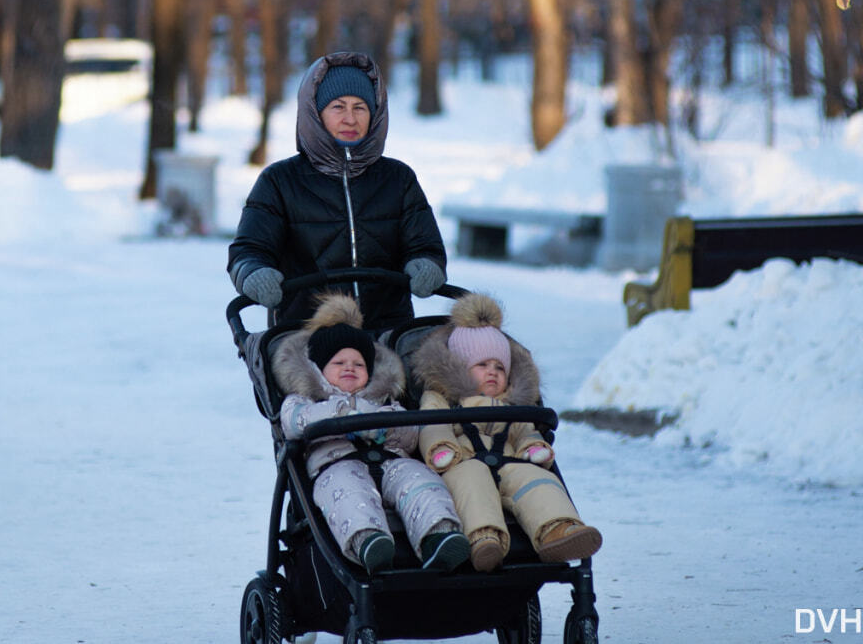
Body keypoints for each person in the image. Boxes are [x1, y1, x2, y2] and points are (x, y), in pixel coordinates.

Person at [228, 51, 447, 329]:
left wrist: (426, 265)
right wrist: (254, 273)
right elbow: (248, 250)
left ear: (374, 113)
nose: (350, 119)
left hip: (387, 333)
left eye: (360, 107)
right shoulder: (280, 181)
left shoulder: (398, 179)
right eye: (338, 107)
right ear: (315, 113)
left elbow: (425, 245)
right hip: (308, 333)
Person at [274, 292, 470, 574]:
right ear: (318, 370)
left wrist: (382, 420)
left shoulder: (385, 402)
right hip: (337, 465)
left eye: (359, 364)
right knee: (348, 492)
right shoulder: (306, 400)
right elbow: (294, 422)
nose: (350, 368)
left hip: (391, 461)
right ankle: (368, 540)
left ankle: (438, 535)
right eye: (339, 364)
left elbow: (411, 437)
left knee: (421, 481)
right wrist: (344, 414)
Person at [410, 292, 603, 572]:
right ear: (459, 368)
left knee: (538, 481)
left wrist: (532, 447)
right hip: (463, 461)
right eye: (482, 365)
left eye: (499, 367)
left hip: (511, 461)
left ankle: (558, 530)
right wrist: (440, 448)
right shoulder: (442, 398)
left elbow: (525, 430)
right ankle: (484, 539)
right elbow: (432, 424)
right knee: (472, 485)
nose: (493, 372)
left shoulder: (510, 403)